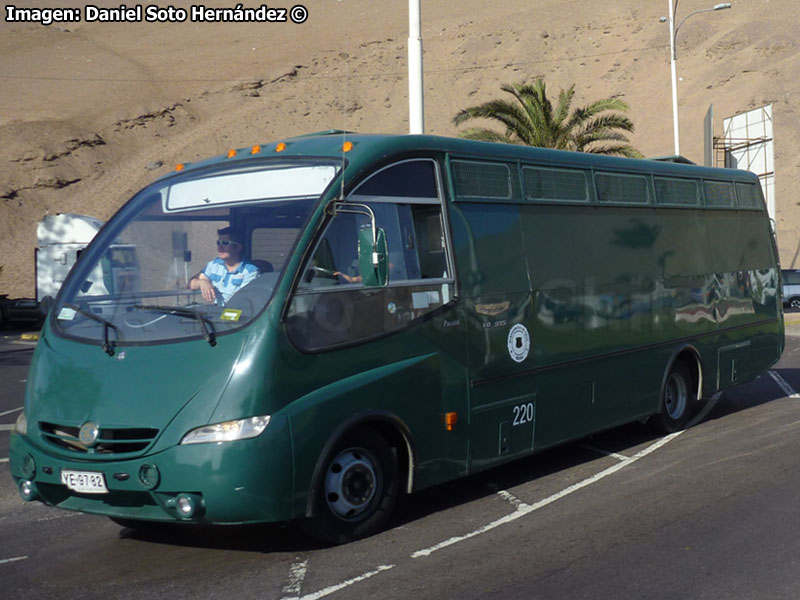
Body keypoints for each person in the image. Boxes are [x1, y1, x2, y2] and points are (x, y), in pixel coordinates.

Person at [189, 227, 259, 304]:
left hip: (237, 313)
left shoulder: (251, 272)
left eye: (225, 243)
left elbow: (243, 300)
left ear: (238, 247)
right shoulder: (214, 265)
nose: (220, 247)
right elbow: (191, 284)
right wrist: (202, 282)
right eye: (218, 243)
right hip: (216, 312)